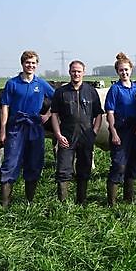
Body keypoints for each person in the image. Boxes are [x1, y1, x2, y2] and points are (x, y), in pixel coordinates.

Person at [0, 50, 54, 207]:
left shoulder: (41, 83)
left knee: (34, 161)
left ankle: (29, 200)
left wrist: (47, 115)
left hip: (35, 126)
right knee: (11, 161)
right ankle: (4, 202)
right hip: (16, 126)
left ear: (37, 65)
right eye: (27, 62)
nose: (30, 65)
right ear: (22, 64)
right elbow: (5, 107)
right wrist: (3, 130)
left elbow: (57, 98)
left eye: (33, 63)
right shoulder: (12, 83)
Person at [50, 60, 103, 204]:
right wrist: (58, 135)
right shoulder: (61, 92)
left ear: (83, 73)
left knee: (84, 169)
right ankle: (63, 203)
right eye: (74, 71)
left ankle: (82, 200)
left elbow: (98, 114)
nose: (76, 74)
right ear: (69, 72)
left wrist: (94, 131)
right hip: (67, 136)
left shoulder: (91, 91)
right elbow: (54, 114)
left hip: (86, 136)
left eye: (79, 71)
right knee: (63, 170)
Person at [104, 52, 136, 207]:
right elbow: (110, 112)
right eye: (121, 70)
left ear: (131, 70)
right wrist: (113, 132)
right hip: (120, 130)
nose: (124, 72)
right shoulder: (115, 89)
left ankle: (129, 199)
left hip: (135, 130)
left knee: (133, 164)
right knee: (119, 164)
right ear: (117, 72)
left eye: (126, 70)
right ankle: (111, 202)